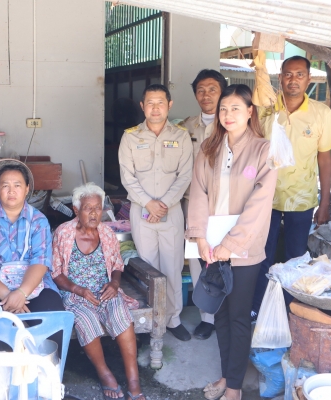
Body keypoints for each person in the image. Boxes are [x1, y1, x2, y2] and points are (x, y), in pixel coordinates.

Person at [186, 84, 278, 400]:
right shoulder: (209, 147)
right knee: (220, 315)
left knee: (238, 317)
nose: (228, 114)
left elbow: (260, 204)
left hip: (243, 249)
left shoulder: (264, 150)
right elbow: (198, 193)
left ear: (250, 112)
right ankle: (227, 376)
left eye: (235, 108)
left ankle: (235, 389)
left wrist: (231, 244)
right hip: (211, 247)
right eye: (223, 108)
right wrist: (200, 238)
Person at [252, 55, 331, 314]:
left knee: (296, 257)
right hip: (264, 197)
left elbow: (325, 159)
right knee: (262, 255)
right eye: (288, 74)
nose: (294, 79)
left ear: (308, 79)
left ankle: (292, 310)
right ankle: (258, 309)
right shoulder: (266, 109)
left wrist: (325, 203)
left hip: (301, 198)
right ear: (280, 78)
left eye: (300, 74)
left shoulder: (321, 113)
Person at [52, 183, 144, 400]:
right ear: (76, 210)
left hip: (104, 290)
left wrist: (114, 284)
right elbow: (56, 273)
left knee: (121, 315)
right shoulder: (63, 232)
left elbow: (117, 265)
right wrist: (78, 289)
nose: (94, 213)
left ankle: (134, 381)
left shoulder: (107, 233)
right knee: (86, 320)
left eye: (98, 208)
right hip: (75, 294)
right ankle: (105, 374)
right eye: (88, 208)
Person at [118, 83, 193, 341]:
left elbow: (185, 176)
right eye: (150, 103)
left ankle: (172, 320)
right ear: (142, 106)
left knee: (172, 267)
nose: (155, 108)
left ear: (169, 105)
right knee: (148, 268)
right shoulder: (130, 137)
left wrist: (163, 205)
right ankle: (152, 322)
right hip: (142, 212)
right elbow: (127, 177)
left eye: (160, 102)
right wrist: (148, 204)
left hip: (172, 213)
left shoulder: (181, 136)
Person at [0, 163, 64, 348]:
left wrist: (21, 293)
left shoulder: (38, 221)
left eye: (17, 185)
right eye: (5, 185)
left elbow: (40, 261)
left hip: (33, 285)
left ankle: (44, 365)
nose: (11, 191)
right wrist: (9, 296)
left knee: (52, 320)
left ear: (27, 189)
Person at [178, 69, 228, 340]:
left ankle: (228, 313)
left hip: (226, 205)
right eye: (201, 90)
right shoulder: (186, 127)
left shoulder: (232, 123)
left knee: (227, 257)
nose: (206, 95)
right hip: (193, 202)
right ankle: (207, 317)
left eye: (212, 89)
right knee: (198, 258)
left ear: (222, 92)